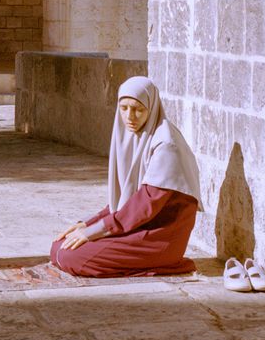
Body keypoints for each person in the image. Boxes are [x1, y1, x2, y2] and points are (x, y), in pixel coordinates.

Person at [50, 76, 202, 277]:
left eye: (138, 109)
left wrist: (94, 231)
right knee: (59, 246)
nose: (130, 116)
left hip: (158, 237)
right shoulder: (138, 137)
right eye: (124, 108)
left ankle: (169, 264)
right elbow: (127, 201)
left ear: (152, 107)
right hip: (136, 227)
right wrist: (87, 223)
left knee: (72, 257)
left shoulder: (166, 145)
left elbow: (143, 207)